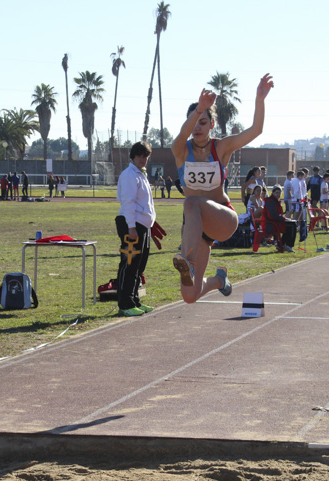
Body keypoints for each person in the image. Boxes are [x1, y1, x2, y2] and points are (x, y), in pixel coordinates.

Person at [171, 73, 274, 304]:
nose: (197, 127)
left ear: (212, 125)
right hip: (197, 230)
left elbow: (255, 130)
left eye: (203, 122)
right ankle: (219, 280)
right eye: (194, 121)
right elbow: (182, 133)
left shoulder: (222, 147)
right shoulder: (180, 149)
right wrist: (199, 109)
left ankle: (187, 261)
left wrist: (259, 99)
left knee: (191, 202)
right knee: (190, 296)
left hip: (222, 218)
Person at [116, 142, 156, 317]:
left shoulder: (141, 175)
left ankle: (135, 300)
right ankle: (125, 303)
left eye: (145, 156)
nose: (143, 159)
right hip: (131, 224)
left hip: (142, 225)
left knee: (139, 266)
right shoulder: (129, 175)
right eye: (140, 155)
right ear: (133, 156)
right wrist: (131, 227)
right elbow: (128, 203)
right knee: (130, 264)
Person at [262, 185, 294, 252]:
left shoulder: (276, 201)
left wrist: (284, 218)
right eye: (277, 193)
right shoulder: (270, 201)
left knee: (292, 224)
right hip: (269, 224)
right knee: (291, 225)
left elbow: (278, 215)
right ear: (273, 193)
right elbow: (273, 216)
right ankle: (286, 245)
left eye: (279, 193)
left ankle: (283, 244)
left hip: (275, 222)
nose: (278, 194)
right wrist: (284, 219)